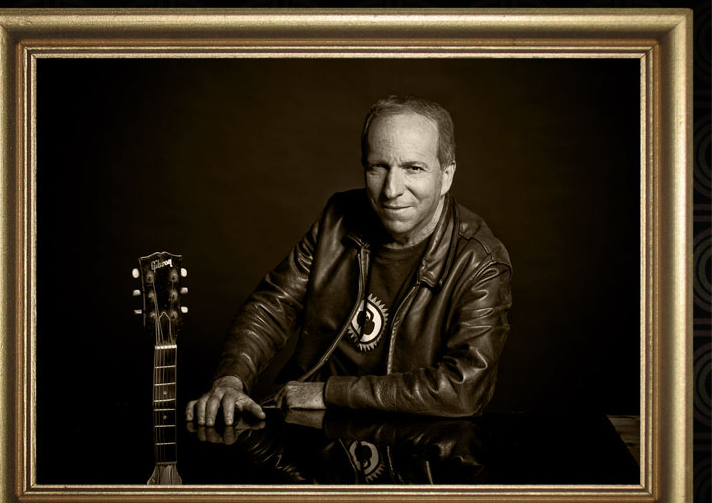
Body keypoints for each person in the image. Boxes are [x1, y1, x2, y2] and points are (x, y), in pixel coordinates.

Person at [186, 95, 512, 427]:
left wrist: (330, 393)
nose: (391, 190)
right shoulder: (338, 217)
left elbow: (463, 388)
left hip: (407, 442)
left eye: (413, 168)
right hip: (306, 432)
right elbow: (274, 305)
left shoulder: (480, 261)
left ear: (446, 175)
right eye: (378, 167)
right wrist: (231, 380)